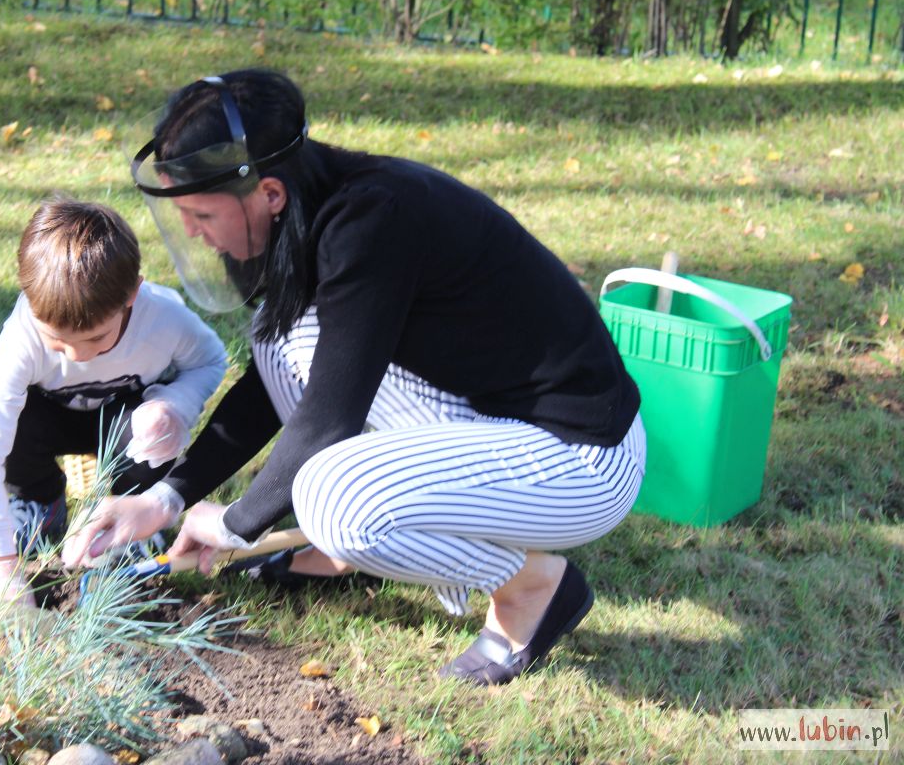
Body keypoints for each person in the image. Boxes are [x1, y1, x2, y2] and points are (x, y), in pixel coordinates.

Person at [61, 69, 645, 687]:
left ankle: (532, 586)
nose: (191, 231)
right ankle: (345, 552)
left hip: (580, 460)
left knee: (334, 501)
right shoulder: (320, 206)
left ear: (269, 194)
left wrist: (236, 523)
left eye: (202, 212)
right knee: (279, 339)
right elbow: (276, 388)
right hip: (490, 416)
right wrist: (164, 499)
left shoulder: (373, 224)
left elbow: (328, 420)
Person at [0, 199, 227, 606]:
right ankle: (40, 502)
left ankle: (133, 519)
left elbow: (211, 360)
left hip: (127, 421)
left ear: (132, 295)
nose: (77, 356)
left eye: (97, 339)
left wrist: (174, 405)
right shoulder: (22, 336)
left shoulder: (165, 319)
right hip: (50, 417)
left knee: (151, 428)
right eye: (57, 341)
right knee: (14, 420)